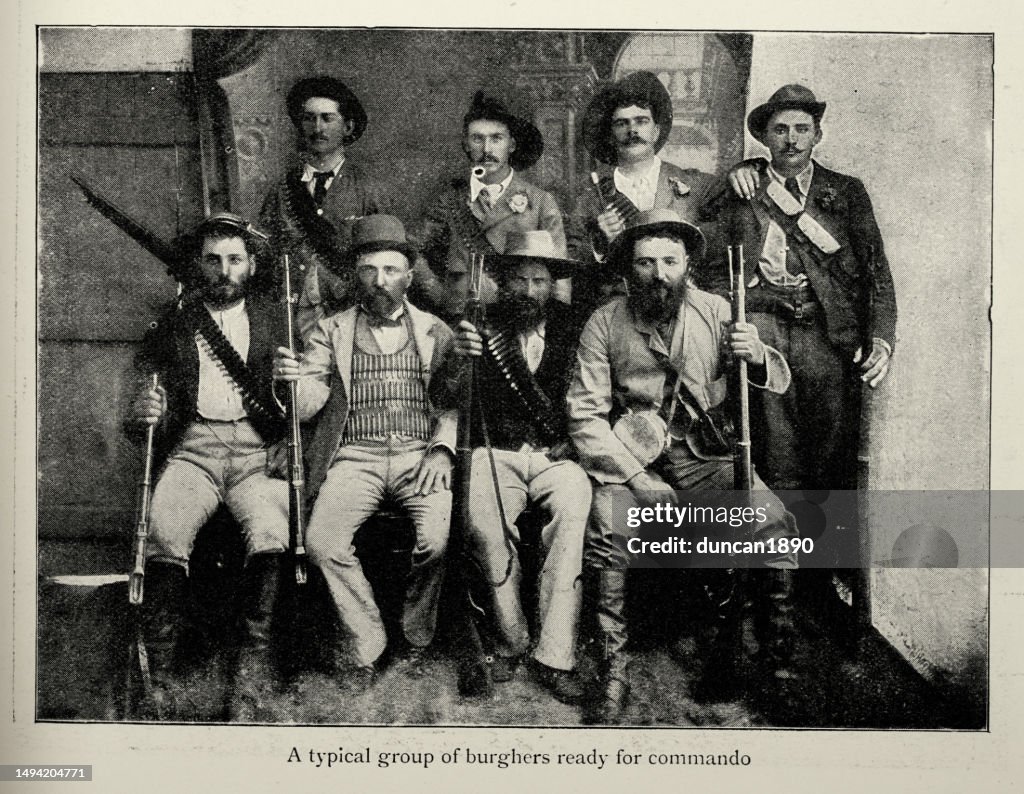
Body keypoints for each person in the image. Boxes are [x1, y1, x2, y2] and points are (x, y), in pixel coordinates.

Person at [566, 209, 799, 723]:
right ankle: (612, 668)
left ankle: (777, 667)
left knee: (775, 524)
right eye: (645, 263)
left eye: (670, 261)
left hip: (705, 458)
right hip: (630, 461)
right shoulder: (604, 321)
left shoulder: (717, 310)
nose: (659, 274)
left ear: (688, 264)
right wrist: (635, 478)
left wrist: (756, 355)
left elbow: (777, 380)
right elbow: (584, 414)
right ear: (628, 269)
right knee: (607, 529)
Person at [273, 215, 455, 690]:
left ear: (409, 277)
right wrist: (291, 382)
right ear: (355, 276)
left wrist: (442, 450)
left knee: (437, 540)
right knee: (322, 545)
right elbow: (309, 402)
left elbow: (454, 403)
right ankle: (366, 643)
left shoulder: (436, 330)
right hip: (355, 458)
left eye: (391, 270)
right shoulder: (329, 331)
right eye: (369, 270)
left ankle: (415, 636)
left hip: (419, 456)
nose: (380, 281)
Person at [128, 212, 291, 721]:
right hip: (194, 448)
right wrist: (144, 410)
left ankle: (249, 679)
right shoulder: (174, 323)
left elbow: (307, 401)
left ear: (252, 265)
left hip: (255, 452)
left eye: (235, 259)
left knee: (271, 531)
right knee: (163, 530)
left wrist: (292, 413)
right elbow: (143, 402)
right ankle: (160, 681)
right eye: (213, 260)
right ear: (198, 265)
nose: (224, 271)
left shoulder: (277, 320)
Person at [432, 230, 591, 703]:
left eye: (539, 281)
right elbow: (441, 396)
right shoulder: (478, 324)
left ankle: (555, 655)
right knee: (482, 522)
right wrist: (458, 359)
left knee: (574, 511)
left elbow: (593, 395)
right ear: (503, 283)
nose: (528, 290)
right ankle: (512, 639)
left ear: (552, 285)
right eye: (519, 279)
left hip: (557, 453)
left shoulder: (575, 326)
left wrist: (575, 443)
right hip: (495, 451)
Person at [719, 84, 897, 492]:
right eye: (780, 130)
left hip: (826, 333)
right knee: (772, 452)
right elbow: (714, 268)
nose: (791, 139)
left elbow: (876, 271)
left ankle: (830, 537)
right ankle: (779, 533)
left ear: (818, 135)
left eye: (802, 129)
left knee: (831, 458)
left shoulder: (847, 192)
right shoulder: (744, 189)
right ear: (765, 138)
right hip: (765, 329)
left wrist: (881, 337)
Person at [570, 71, 727, 307]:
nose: (632, 131)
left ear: (656, 131)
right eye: (621, 123)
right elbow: (571, 269)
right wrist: (600, 246)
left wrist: (747, 167)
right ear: (611, 136)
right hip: (619, 312)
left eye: (641, 121)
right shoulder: (590, 198)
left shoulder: (695, 185)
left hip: (683, 309)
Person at [410, 89, 569, 322]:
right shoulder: (448, 201)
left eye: (496, 139)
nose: (487, 150)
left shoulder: (541, 202)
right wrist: (438, 292)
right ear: (466, 144)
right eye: (477, 139)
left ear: (511, 144)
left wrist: (553, 326)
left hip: (518, 322)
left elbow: (560, 276)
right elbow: (410, 249)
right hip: (461, 319)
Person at [260, 76, 388, 341]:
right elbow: (264, 255)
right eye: (309, 119)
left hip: (351, 317)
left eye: (327, 119)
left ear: (347, 126)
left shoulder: (368, 189)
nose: (317, 128)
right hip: (293, 319)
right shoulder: (282, 190)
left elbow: (387, 256)